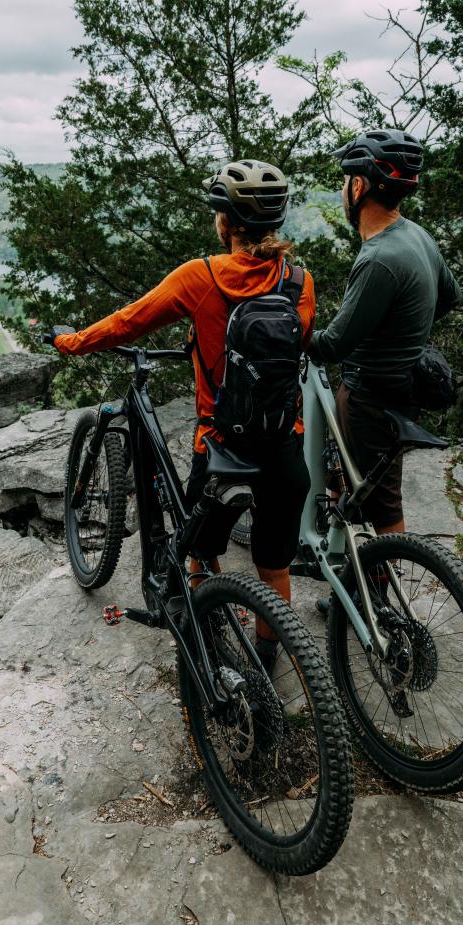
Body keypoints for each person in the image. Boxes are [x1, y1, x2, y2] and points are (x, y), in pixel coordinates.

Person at [51, 160, 316, 670]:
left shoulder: (202, 277)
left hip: (221, 447)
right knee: (273, 562)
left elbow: (127, 323)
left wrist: (71, 342)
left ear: (227, 223)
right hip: (284, 442)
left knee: (200, 549)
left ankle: (204, 629)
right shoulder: (300, 282)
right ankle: (267, 655)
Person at [307, 130, 460, 609]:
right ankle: (366, 582)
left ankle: (378, 603)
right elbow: (450, 296)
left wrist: (289, 334)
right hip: (404, 383)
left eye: (348, 179)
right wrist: (403, 334)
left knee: (381, 502)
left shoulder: (378, 258)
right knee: (365, 484)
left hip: (371, 394)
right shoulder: (416, 235)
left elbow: (333, 343)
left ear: (360, 187)